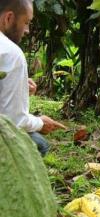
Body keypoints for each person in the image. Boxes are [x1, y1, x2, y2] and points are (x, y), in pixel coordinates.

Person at [0, 0, 66, 156]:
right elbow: (15, 121)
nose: (27, 30)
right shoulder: (11, 53)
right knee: (39, 144)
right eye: (26, 22)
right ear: (8, 18)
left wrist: (19, 84)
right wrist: (41, 123)